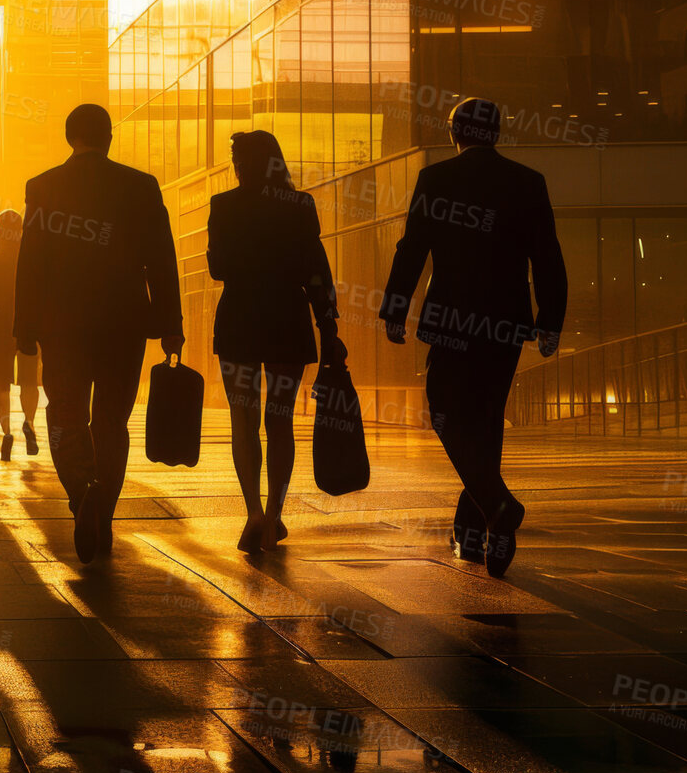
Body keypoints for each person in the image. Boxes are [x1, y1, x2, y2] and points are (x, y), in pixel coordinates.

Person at [381, 97, 566, 579]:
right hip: (505, 321)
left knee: (444, 411)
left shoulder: (437, 179)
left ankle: (496, 507)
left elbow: (412, 247)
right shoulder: (528, 182)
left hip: (453, 319)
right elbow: (547, 255)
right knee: (486, 418)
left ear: (454, 133)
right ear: (497, 132)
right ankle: (475, 528)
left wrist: (396, 308)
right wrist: (550, 320)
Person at [17, 104, 182, 563]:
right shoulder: (140, 186)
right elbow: (162, 261)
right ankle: (103, 514)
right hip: (123, 324)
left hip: (61, 326)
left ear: (70, 137)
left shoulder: (43, 187)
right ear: (108, 137)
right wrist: (171, 325)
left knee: (65, 414)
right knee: (111, 420)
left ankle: (82, 492)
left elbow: (31, 262)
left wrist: (24, 328)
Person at [207, 131, 343, 555]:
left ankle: (253, 512)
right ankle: (275, 513)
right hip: (287, 319)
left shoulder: (224, 205)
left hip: (239, 320)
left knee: (243, 419)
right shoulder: (300, 206)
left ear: (243, 164)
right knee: (279, 419)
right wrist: (328, 322)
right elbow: (314, 268)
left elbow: (216, 268)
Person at [0, 209, 40, 462]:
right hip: (27, 325)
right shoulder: (31, 259)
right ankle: (28, 422)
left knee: (0, 383)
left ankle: (6, 432)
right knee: (28, 381)